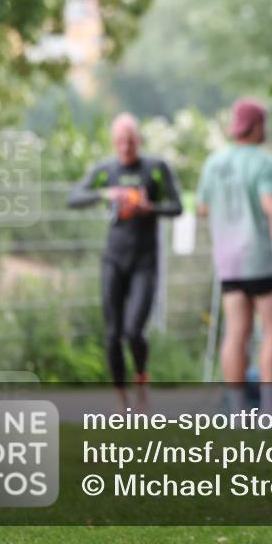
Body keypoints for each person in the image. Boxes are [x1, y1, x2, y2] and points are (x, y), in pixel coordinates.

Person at [68, 113, 183, 411]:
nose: (125, 146)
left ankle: (141, 379)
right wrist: (106, 193)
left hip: (145, 260)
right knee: (112, 333)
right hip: (113, 259)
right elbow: (74, 197)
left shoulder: (156, 168)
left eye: (130, 139)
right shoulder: (106, 170)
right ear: (113, 141)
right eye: (120, 140)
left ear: (139, 139)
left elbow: (177, 206)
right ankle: (121, 400)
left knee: (133, 330)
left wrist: (149, 207)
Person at [197, 98, 272, 417]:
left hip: (229, 262)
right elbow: (271, 206)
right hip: (262, 258)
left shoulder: (213, 163)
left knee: (236, 333)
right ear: (254, 126)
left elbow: (203, 208)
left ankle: (236, 410)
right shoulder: (263, 163)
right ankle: (269, 408)